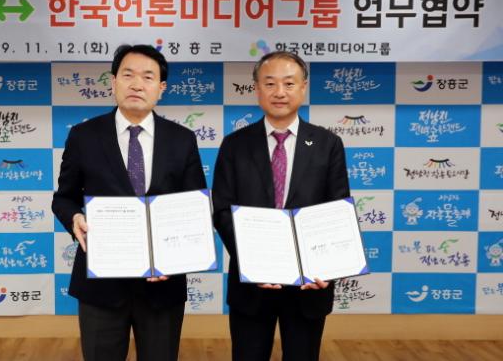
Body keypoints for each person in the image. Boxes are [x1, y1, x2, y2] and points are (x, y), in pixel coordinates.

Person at [52, 44, 206, 361]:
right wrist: (74, 218)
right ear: (113, 82)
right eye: (128, 75)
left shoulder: (182, 139)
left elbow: (194, 208)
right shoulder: (83, 135)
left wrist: (175, 259)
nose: (137, 84)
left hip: (162, 285)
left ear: (161, 88)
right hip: (101, 285)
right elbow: (64, 197)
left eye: (148, 77)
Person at [212, 51, 350, 361]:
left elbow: (337, 210)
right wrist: (253, 262)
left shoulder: (327, 144)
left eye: (289, 83)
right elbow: (222, 210)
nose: (279, 92)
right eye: (270, 83)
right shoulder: (235, 145)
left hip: (308, 284)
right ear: (256, 89)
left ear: (303, 88)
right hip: (252, 283)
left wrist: (326, 265)